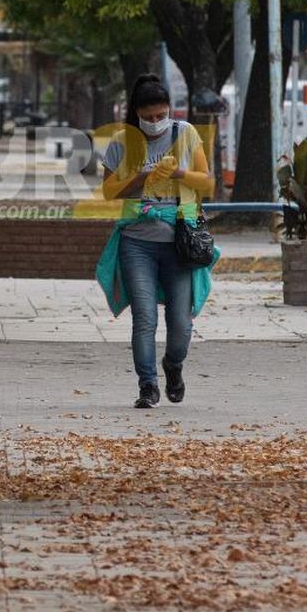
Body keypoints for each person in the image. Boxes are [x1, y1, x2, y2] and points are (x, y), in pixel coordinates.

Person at [94, 74, 217, 408]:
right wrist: (143, 178)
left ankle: (173, 366)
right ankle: (147, 385)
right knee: (144, 318)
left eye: (160, 115)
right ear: (136, 114)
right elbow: (108, 192)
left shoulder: (186, 134)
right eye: (147, 117)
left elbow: (207, 184)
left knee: (180, 322)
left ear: (169, 110)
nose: (154, 122)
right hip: (137, 242)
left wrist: (178, 174)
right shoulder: (122, 141)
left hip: (178, 243)